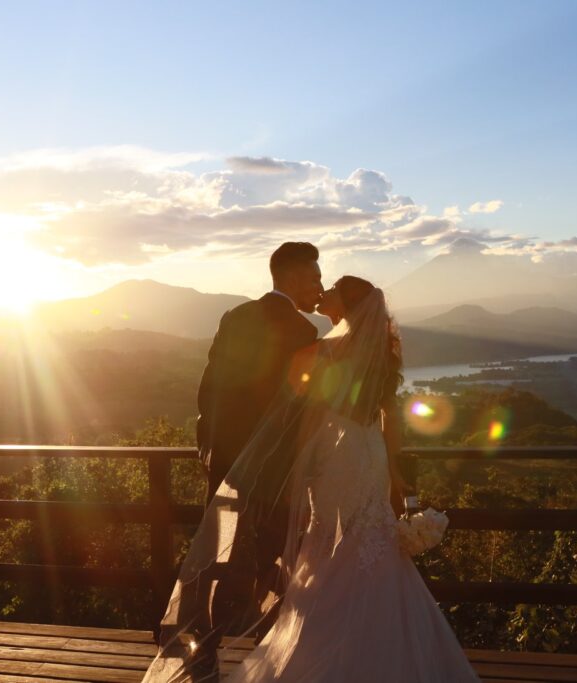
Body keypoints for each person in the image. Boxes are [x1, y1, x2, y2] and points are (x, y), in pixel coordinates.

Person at [144, 275, 479, 682]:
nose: (325, 291)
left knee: (326, 541)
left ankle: (330, 645)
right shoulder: (381, 352)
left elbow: (306, 415)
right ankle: (377, 645)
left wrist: (302, 465)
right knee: (369, 537)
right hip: (370, 453)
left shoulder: (321, 351)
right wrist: (392, 467)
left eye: (334, 288)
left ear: (346, 306)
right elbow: (390, 417)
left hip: (334, 452)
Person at [179, 242, 323, 677]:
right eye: (315, 277)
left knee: (215, 554)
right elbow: (298, 410)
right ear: (293, 278)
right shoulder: (303, 333)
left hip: (225, 461)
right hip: (274, 472)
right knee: (270, 557)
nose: (319, 286)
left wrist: (211, 445)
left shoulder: (234, 317)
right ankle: (271, 650)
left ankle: (202, 645)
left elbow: (210, 389)